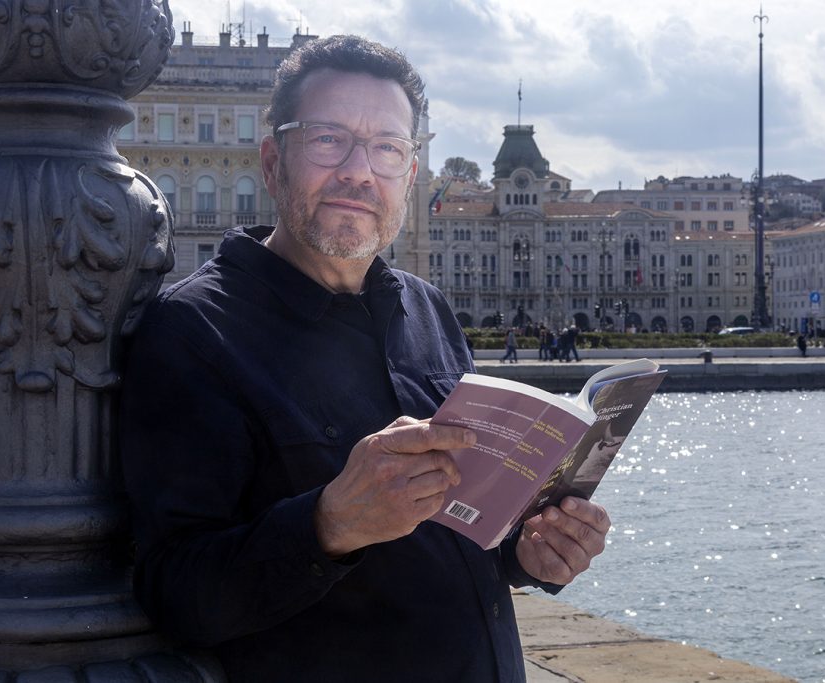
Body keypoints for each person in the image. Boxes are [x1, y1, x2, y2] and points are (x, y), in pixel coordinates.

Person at [119, 35, 609, 682]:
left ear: (408, 177)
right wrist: (326, 523)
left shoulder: (426, 309)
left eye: (387, 148)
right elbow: (172, 591)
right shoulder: (190, 330)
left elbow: (464, 531)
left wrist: (529, 553)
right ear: (272, 161)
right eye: (328, 139)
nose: (359, 170)